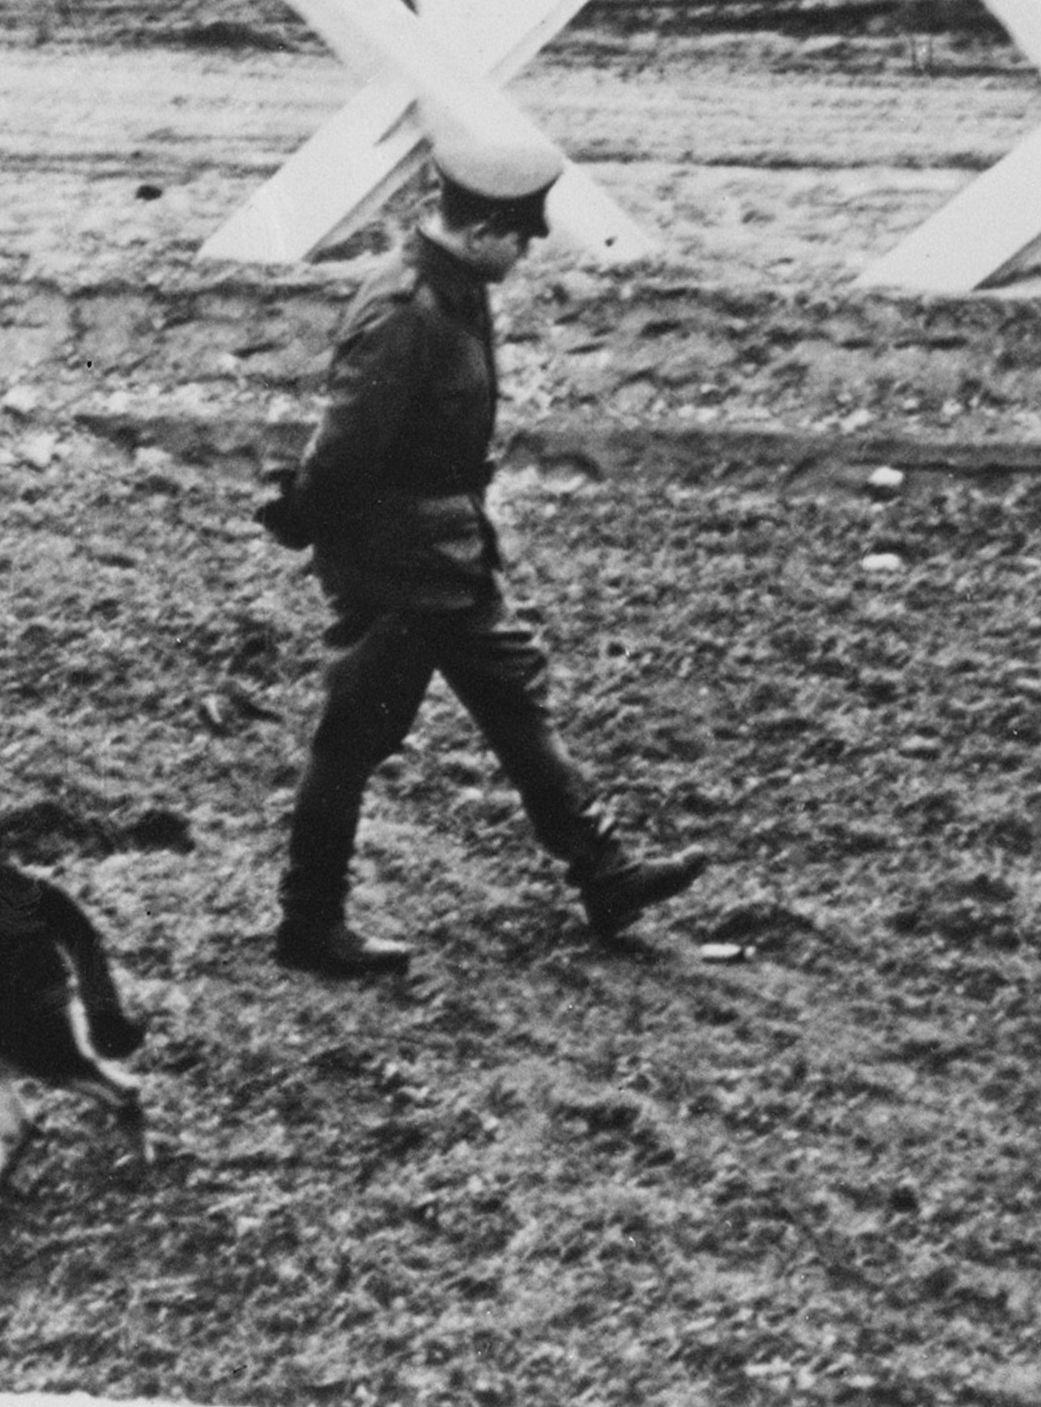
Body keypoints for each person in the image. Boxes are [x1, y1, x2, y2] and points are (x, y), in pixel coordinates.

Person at [259, 124, 707, 979]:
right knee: (351, 741)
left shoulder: (454, 290)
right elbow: (345, 453)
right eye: (523, 236)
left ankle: (605, 874)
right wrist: (307, 517)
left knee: (513, 699)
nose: (530, 251)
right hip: (398, 570)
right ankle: (308, 926)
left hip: (453, 557)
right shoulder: (404, 315)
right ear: (484, 230)